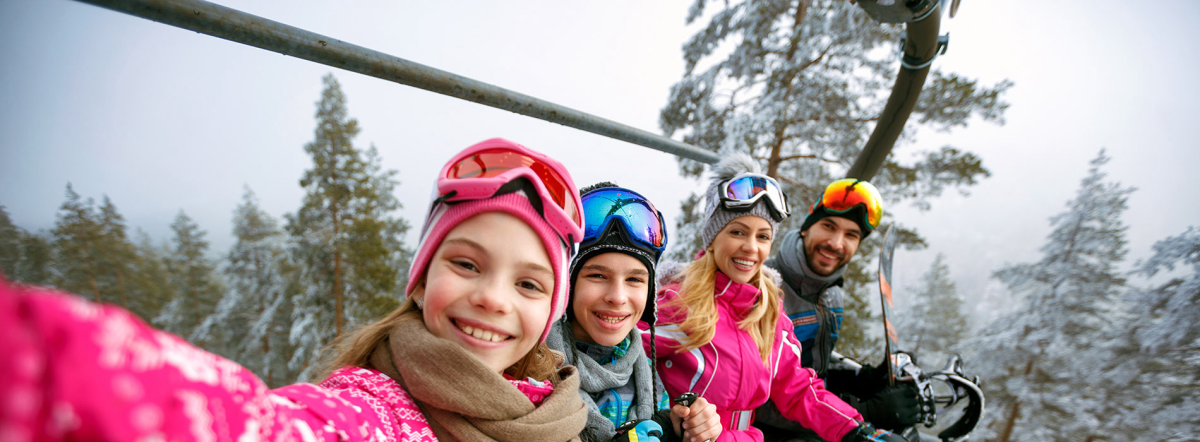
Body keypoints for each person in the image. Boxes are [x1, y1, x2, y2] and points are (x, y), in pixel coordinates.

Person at [0, 138, 589, 441]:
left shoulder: (551, 407)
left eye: (529, 283)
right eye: (465, 264)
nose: (493, 297)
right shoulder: (374, 413)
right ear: (421, 279)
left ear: (550, 311)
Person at [642, 155, 904, 442]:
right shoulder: (679, 302)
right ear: (713, 238)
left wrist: (856, 430)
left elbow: (798, 389)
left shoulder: (768, 312)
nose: (750, 248)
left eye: (763, 236)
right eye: (738, 232)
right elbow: (620, 355)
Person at [545, 182, 722, 442]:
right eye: (597, 275)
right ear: (567, 284)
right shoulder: (534, 368)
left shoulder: (645, 371)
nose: (617, 297)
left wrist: (682, 429)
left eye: (634, 280)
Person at [755, 179, 922, 441]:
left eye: (851, 235)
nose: (836, 243)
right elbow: (755, 398)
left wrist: (861, 380)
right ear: (805, 229)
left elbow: (811, 366)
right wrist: (862, 412)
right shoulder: (761, 291)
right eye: (828, 226)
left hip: (814, 418)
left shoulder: (831, 296)